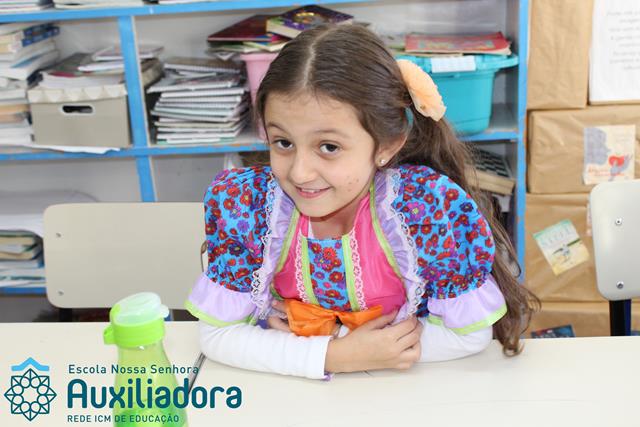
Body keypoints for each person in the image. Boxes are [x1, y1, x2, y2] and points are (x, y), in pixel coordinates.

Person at [186, 24, 539, 379]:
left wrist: (342, 348)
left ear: (386, 145)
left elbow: (469, 337)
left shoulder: (425, 211)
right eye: (283, 143)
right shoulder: (252, 210)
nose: (300, 173)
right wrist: (335, 355)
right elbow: (216, 336)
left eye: (329, 147)